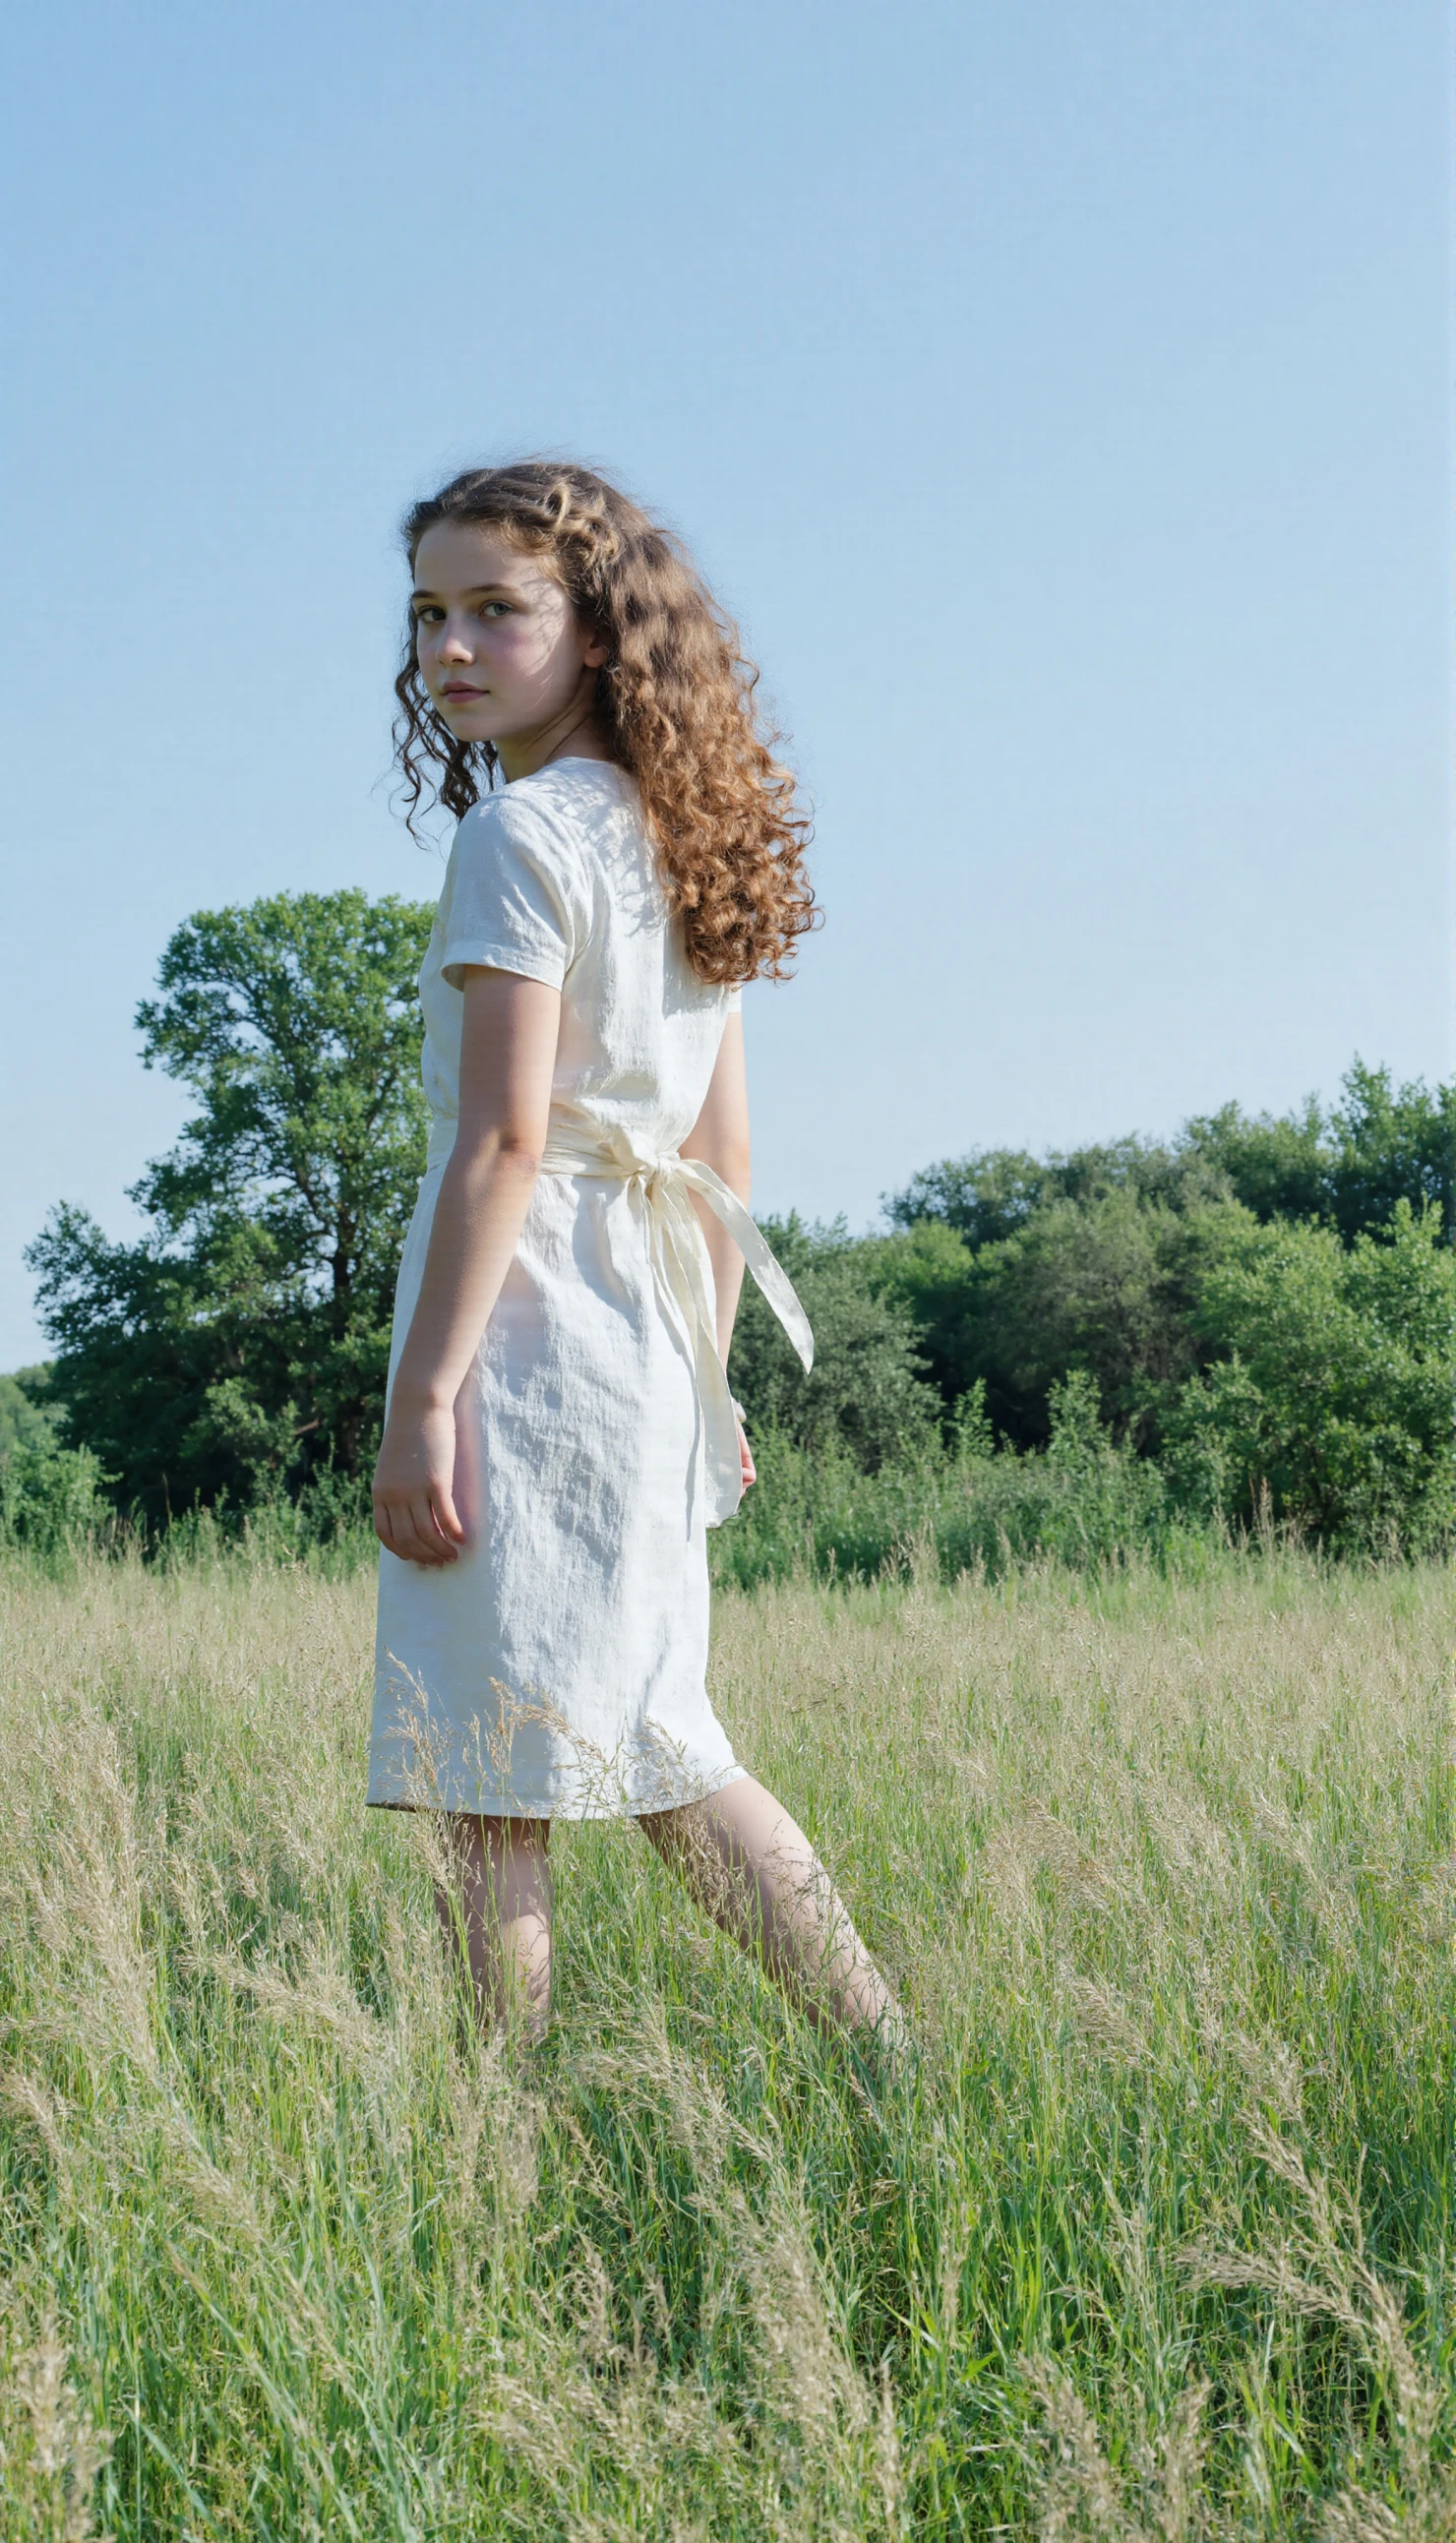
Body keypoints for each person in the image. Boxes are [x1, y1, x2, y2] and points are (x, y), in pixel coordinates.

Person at [368, 460, 899, 2058]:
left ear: (596, 631)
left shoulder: (523, 835)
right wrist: (705, 1380)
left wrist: (425, 1398)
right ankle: (888, 2053)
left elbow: (504, 1145)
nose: (450, 648)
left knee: (486, 1780)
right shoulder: (676, 836)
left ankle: (497, 2146)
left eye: (495, 609)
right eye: (429, 616)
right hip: (650, 1326)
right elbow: (721, 1161)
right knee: (666, 1746)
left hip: (525, 1340)